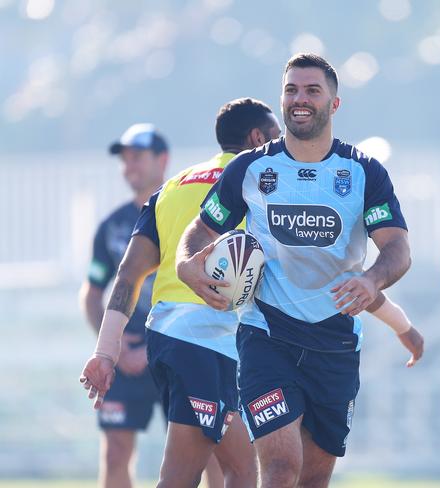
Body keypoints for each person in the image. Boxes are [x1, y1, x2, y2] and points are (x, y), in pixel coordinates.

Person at [176, 54, 413, 488]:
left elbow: (397, 247)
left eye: (311, 90)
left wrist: (372, 280)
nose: (299, 99)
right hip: (267, 334)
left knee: (312, 478)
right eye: (290, 90)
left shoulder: (363, 173)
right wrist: (186, 263)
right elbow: (202, 228)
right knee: (282, 469)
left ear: (334, 104)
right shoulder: (251, 168)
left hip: (335, 339)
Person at [80, 98, 280, 488]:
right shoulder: (259, 180)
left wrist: (105, 350)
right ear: (257, 138)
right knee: (191, 474)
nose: (282, 145)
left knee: (236, 467)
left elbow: (128, 275)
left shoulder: (171, 188)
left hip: (169, 340)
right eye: (275, 137)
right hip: (207, 342)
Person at [79, 123, 168, 488]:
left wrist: (154, 347)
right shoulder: (111, 226)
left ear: (162, 160)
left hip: (176, 348)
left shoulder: (186, 213)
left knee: (205, 448)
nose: (128, 165)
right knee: (115, 451)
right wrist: (112, 348)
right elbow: (91, 293)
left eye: (137, 156)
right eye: (124, 158)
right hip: (124, 356)